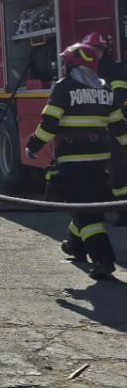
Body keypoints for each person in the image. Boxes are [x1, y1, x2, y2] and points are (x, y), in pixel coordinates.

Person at [25, 42, 127, 280]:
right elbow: (119, 126)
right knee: (86, 204)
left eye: (65, 61)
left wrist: (33, 146)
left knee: (87, 213)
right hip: (100, 160)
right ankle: (75, 246)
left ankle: (104, 259)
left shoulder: (64, 87)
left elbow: (50, 123)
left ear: (72, 63)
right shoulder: (105, 88)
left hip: (73, 160)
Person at [82, 32, 127, 225]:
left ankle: (124, 212)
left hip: (114, 124)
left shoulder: (114, 68)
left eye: (98, 49)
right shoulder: (85, 70)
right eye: (92, 49)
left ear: (104, 50)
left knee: (119, 168)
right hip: (96, 126)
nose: (95, 53)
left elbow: (118, 95)